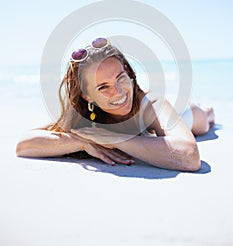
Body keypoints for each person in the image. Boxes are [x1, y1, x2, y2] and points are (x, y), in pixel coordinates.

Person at [16, 37, 215, 171]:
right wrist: (84, 142)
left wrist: (112, 138)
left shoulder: (152, 104)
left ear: (129, 73)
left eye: (120, 78)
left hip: (181, 112)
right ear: (87, 97)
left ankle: (207, 109)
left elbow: (189, 156)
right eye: (103, 87)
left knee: (203, 120)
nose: (118, 92)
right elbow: (24, 144)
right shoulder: (84, 116)